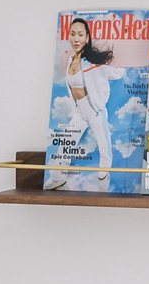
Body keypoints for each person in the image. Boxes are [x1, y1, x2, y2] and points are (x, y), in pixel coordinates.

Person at [48, 17, 119, 186]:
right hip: (79, 110)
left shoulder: (93, 62)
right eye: (73, 34)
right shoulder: (70, 61)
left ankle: (103, 178)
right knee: (66, 142)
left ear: (87, 38)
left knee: (104, 147)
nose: (76, 39)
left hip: (94, 109)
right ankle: (58, 178)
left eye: (80, 35)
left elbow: (115, 72)